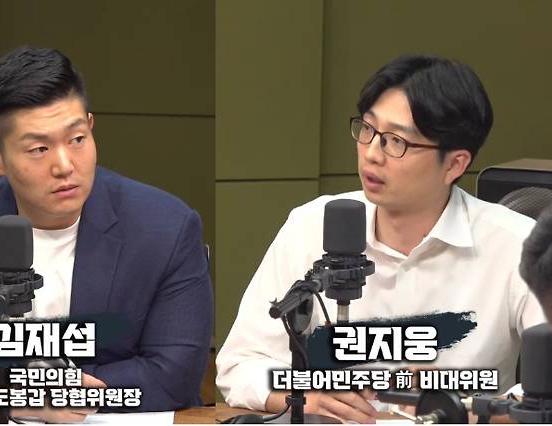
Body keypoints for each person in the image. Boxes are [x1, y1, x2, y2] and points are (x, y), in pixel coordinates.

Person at [216, 54, 546, 423]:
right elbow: (241, 363)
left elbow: (545, 394)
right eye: (368, 130)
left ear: (455, 164)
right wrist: (303, 394)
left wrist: (466, 409)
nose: (372, 154)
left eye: (396, 142)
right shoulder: (311, 224)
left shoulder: (518, 245)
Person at [0, 46, 213, 422]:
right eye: (39, 148)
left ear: (91, 126)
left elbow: (176, 374)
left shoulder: (166, 227)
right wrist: (13, 396)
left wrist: (70, 392)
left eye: (77, 139)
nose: (64, 165)